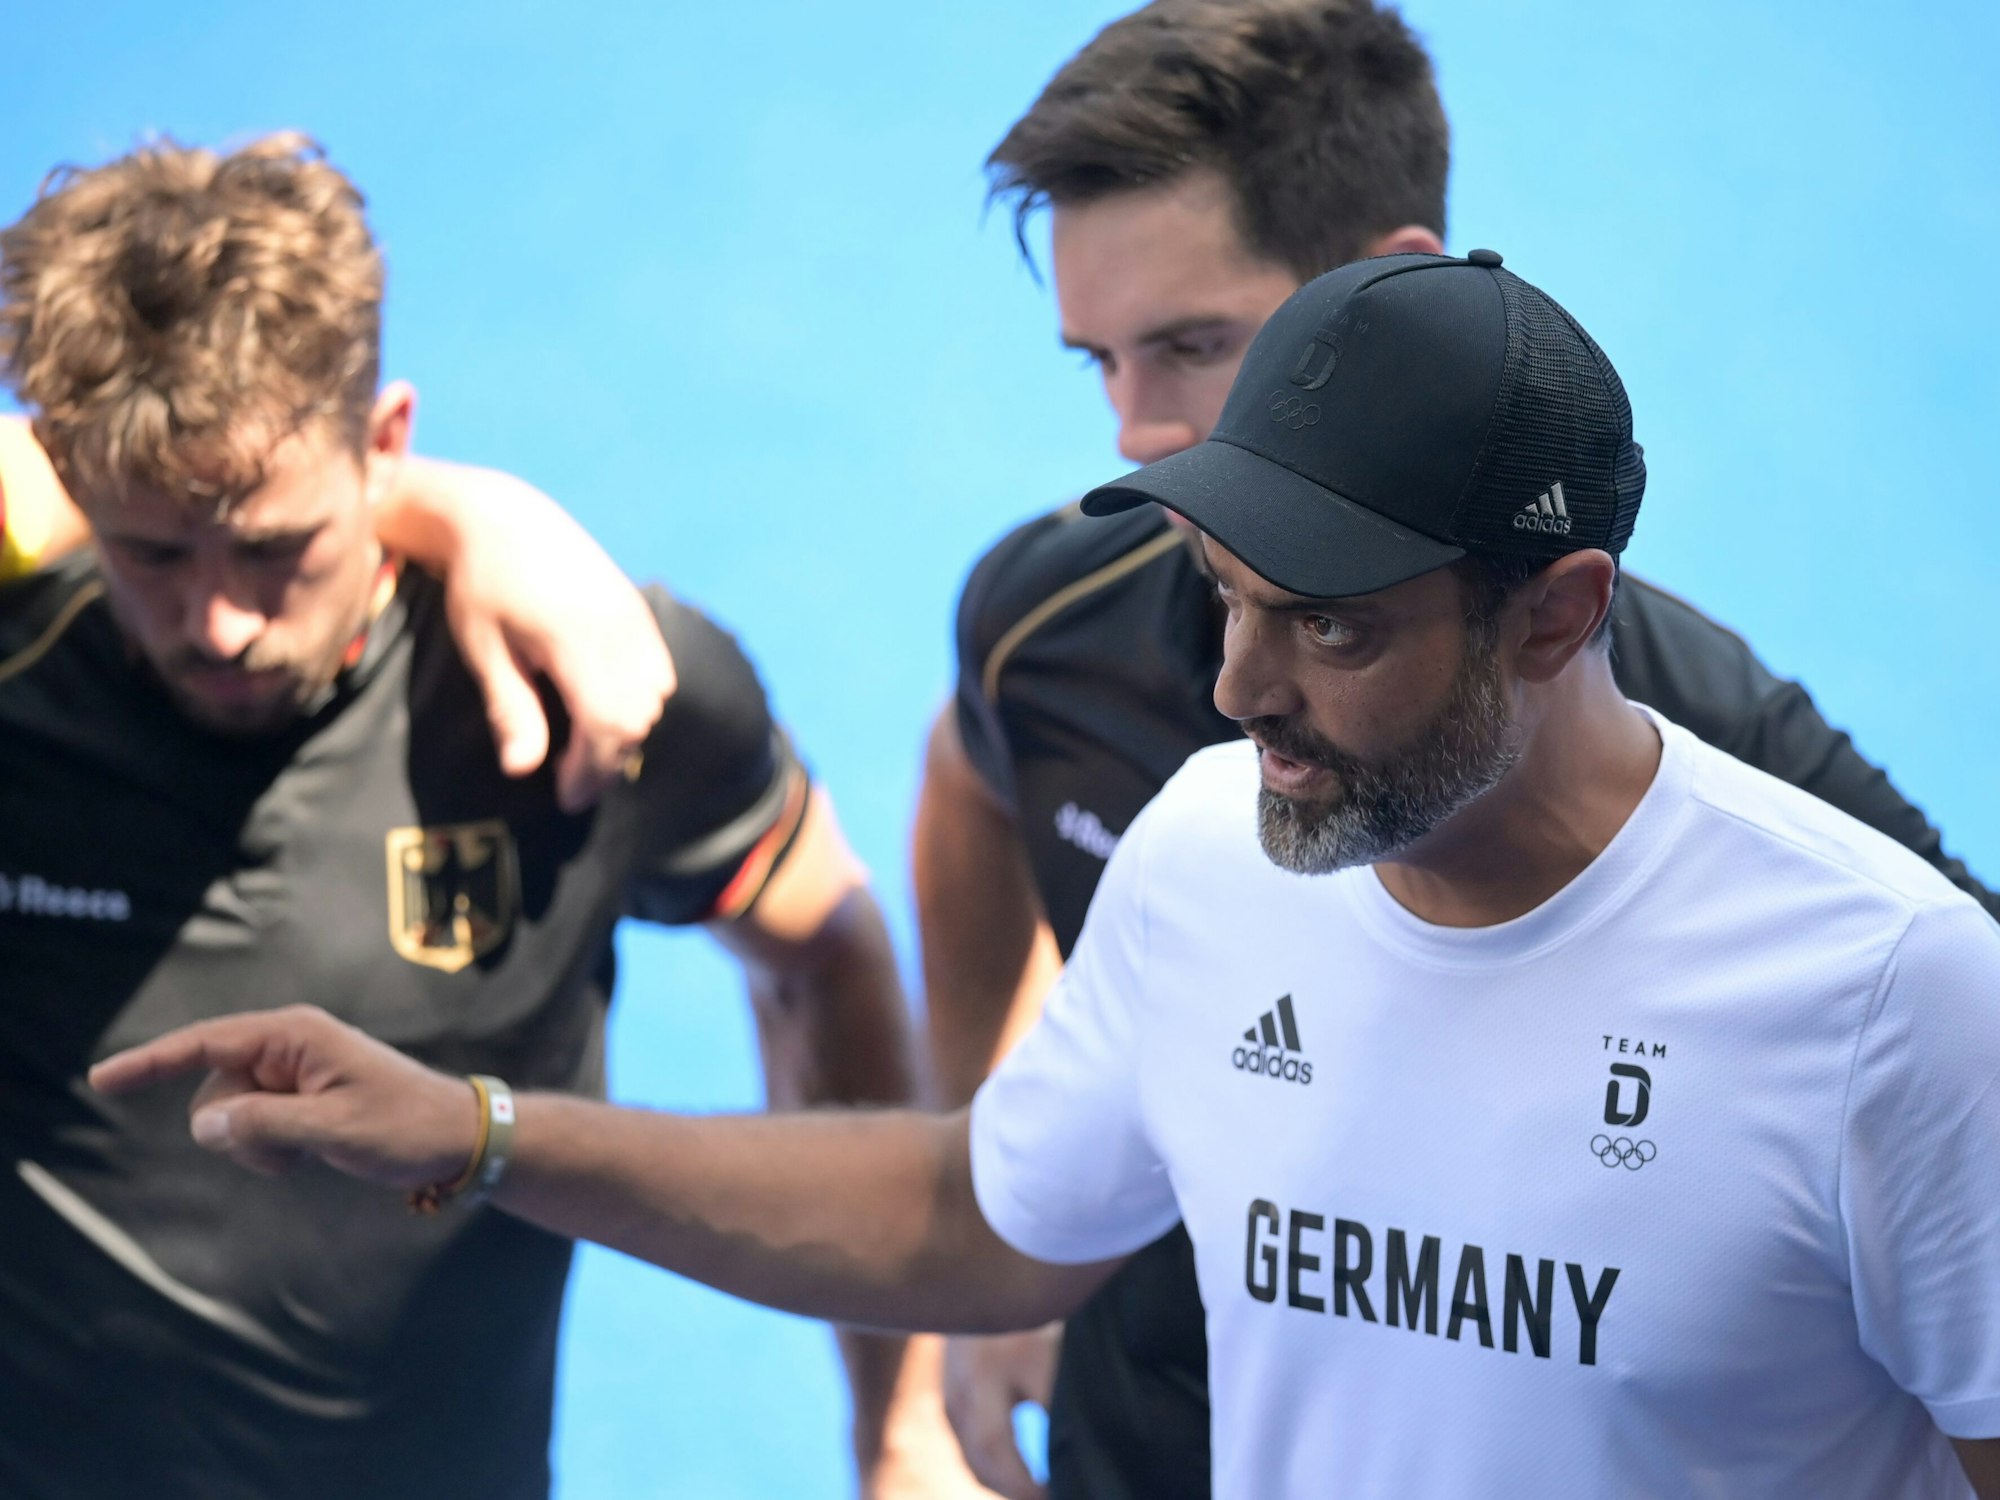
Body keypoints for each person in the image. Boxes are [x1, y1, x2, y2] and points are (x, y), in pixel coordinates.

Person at [97, 252, 2000, 1498]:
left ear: (1561, 612)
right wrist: (487, 1128)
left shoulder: (1890, 995)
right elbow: (978, 1214)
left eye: (1326, 629)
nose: (1243, 688)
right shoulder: (1211, 849)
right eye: (1227, 604)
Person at [914, 3, 1997, 1492]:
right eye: (1097, 360)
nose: (1138, 435)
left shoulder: (1686, 732)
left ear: (1383, 292)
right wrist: (998, 1190)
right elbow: (976, 785)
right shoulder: (1046, 620)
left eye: (1192, 347)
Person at [0, 133, 974, 1499]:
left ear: (386, 442)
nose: (217, 620)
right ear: (60, 474)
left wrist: (902, 1426)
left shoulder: (607, 689)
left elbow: (824, 960)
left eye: (277, 549)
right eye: (152, 551)